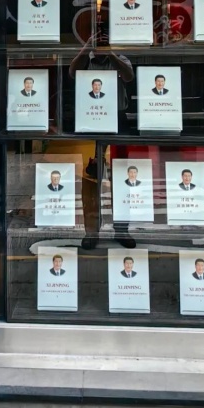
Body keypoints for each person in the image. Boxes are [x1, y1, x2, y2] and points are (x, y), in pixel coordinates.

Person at [70, 30, 135, 250]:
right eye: (98, 39)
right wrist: (86, 48)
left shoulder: (119, 57)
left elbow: (129, 76)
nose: (101, 43)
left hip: (118, 119)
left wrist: (111, 53)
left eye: (104, 40)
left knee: (121, 175)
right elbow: (72, 72)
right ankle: (91, 231)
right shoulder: (86, 60)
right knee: (91, 178)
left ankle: (122, 229)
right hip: (91, 120)